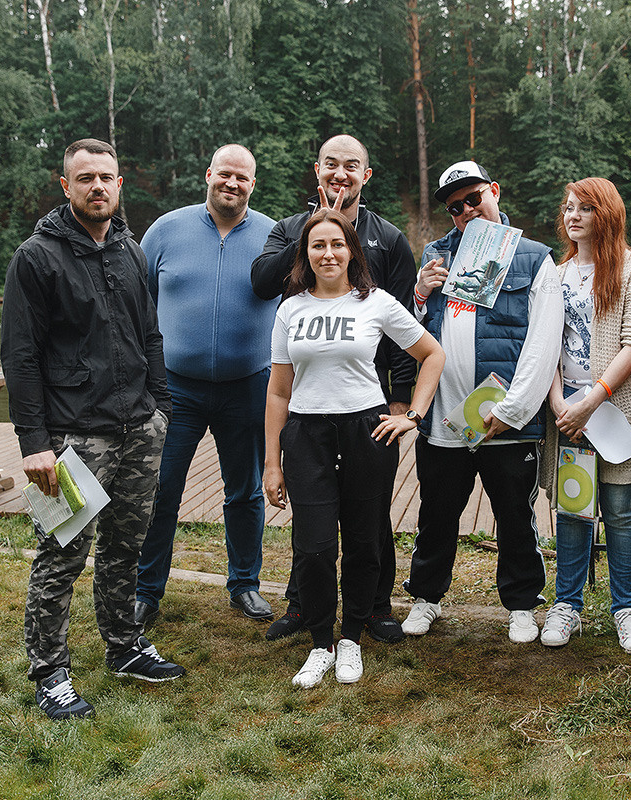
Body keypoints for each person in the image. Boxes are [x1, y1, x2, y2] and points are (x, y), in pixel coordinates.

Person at [2, 139, 185, 722]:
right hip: (71, 438)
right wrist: (34, 446)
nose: (97, 187)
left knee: (125, 549)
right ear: (66, 186)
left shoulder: (130, 251)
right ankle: (50, 671)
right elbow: (21, 357)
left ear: (119, 183)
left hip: (138, 429)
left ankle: (125, 647)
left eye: (106, 177)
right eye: (86, 178)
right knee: (60, 553)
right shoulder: (36, 258)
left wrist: (160, 408)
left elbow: (151, 336)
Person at [263, 209, 444, 688]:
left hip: (367, 431)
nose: (328, 253)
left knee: (365, 542)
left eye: (337, 244)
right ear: (306, 252)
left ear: (351, 251)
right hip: (307, 434)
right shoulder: (290, 309)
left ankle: (350, 639)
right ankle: (320, 642)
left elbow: (432, 354)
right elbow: (278, 391)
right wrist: (271, 463)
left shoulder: (377, 302)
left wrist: (413, 416)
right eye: (318, 245)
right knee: (315, 546)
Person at [252, 134, 418, 644]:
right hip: (306, 401)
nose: (340, 174)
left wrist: (401, 403)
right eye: (331, 165)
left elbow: (402, 322)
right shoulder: (288, 229)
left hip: (368, 402)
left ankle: (375, 608)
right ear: (317, 171)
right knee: (314, 524)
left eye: (351, 166)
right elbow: (261, 282)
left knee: (370, 515)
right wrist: (311, 230)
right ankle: (304, 606)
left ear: (365, 176)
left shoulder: (387, 238)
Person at [402, 160, 562, 643]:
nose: (468, 211)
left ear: (495, 190)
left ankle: (520, 603)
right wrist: (419, 294)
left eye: (475, 199)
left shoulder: (535, 258)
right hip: (444, 419)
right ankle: (426, 598)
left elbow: (544, 339)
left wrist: (513, 409)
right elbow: (415, 336)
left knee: (515, 515)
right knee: (435, 515)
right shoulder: (435, 256)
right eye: (456, 208)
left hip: (504, 418)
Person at [134, 144, 277, 626]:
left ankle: (245, 584)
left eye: (243, 178)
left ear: (253, 185)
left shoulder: (273, 235)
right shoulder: (166, 230)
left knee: (246, 491)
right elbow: (139, 302)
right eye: (225, 175)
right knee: (162, 488)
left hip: (248, 385)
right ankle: (146, 591)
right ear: (209, 175)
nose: (232, 184)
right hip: (176, 390)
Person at [537, 178, 631, 653]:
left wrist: (594, 399)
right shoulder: (557, 271)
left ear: (605, 214)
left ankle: (626, 609)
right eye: (568, 208)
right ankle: (567, 605)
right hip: (567, 411)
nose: (572, 217)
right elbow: (544, 344)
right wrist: (556, 402)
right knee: (573, 509)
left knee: (622, 513)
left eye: (585, 209)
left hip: (617, 410)